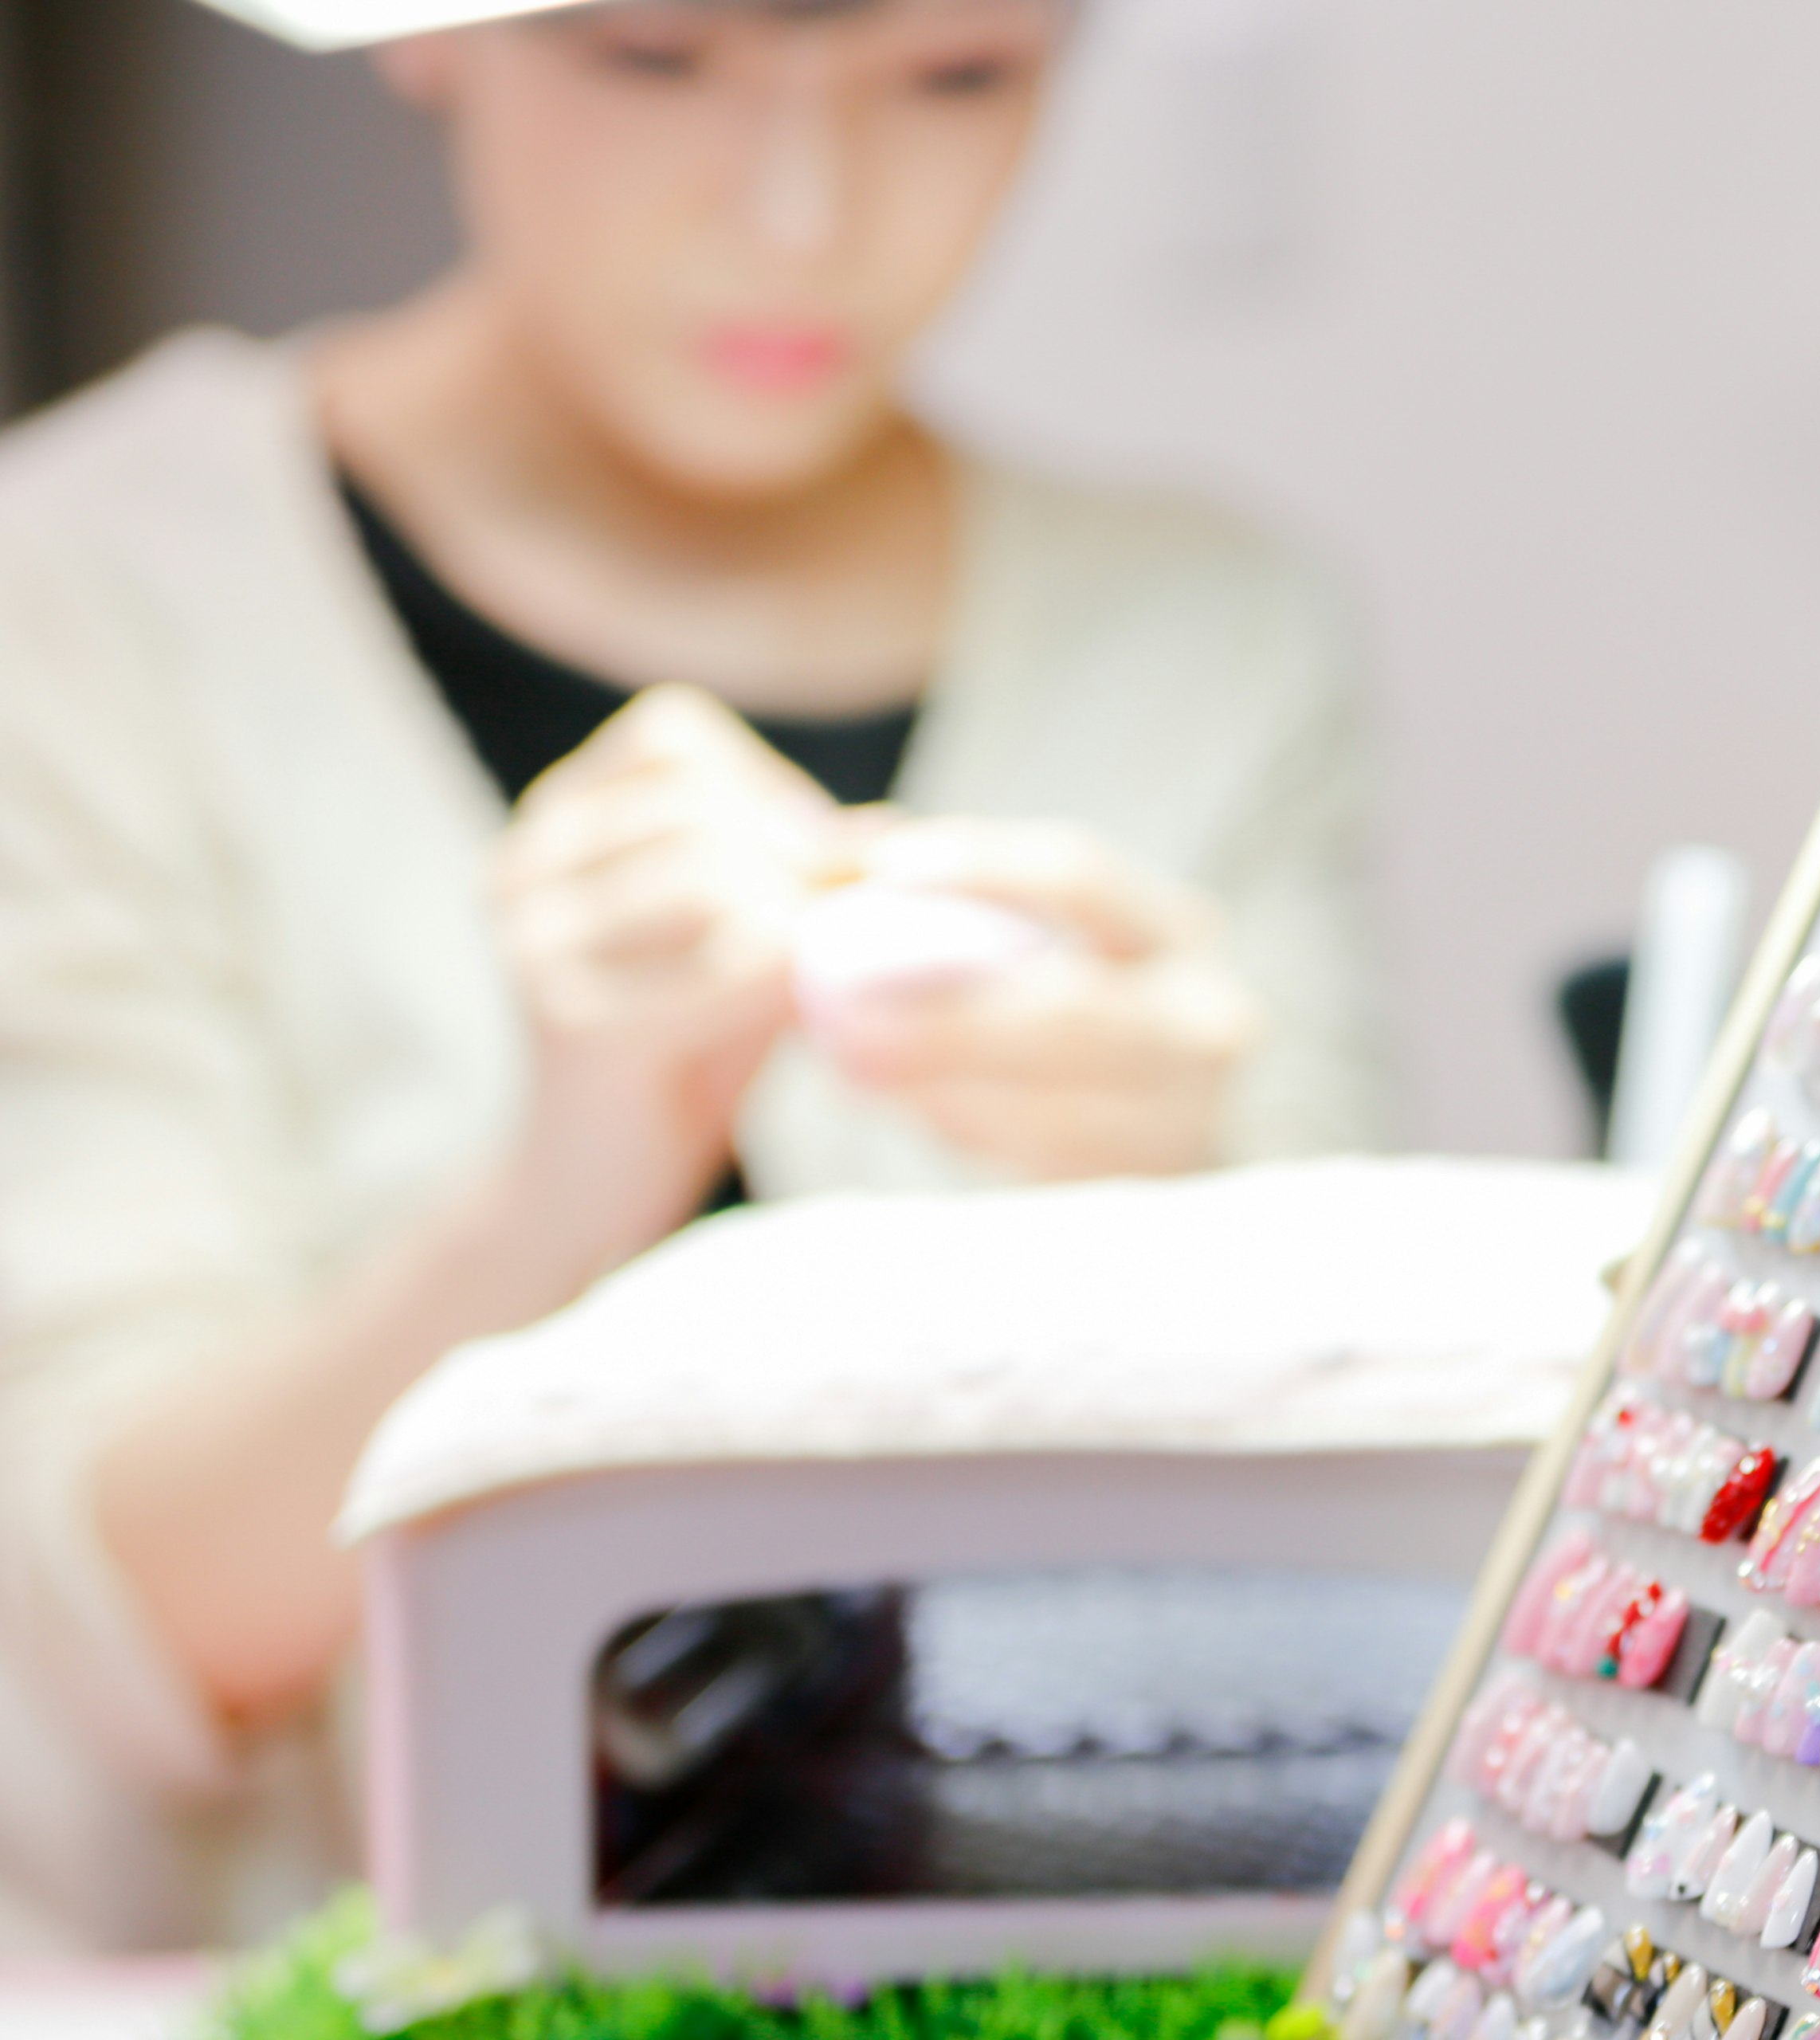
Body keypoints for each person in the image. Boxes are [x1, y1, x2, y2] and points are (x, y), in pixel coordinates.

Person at [0, 0, 1382, 1951]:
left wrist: (1207, 1198)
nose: (801, 219)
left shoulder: (1208, 640)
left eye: (955, 77)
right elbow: (113, 1642)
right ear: (432, 35)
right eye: (655, 59)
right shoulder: (83, 598)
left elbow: (1373, 1614)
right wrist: (548, 1205)